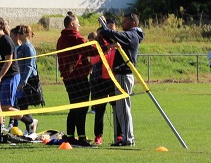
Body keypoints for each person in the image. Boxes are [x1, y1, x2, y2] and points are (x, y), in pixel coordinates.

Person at [98, 13, 145, 147]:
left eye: (125, 21)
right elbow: (112, 36)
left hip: (125, 74)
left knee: (123, 108)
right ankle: (125, 137)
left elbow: (116, 35)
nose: (123, 23)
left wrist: (105, 28)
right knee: (120, 108)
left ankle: (128, 138)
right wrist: (105, 30)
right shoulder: (130, 35)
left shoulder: (132, 35)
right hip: (120, 74)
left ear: (133, 24)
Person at [0, 16, 33, 136]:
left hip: (10, 76)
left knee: (6, 107)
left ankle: (30, 122)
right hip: (0, 77)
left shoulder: (6, 40)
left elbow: (9, 61)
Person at [56, 12, 94, 145]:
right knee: (82, 107)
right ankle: (82, 137)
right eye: (78, 23)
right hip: (79, 77)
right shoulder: (76, 38)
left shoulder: (61, 39)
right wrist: (107, 45)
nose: (80, 25)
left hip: (68, 78)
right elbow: (92, 51)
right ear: (72, 24)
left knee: (74, 107)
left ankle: (70, 136)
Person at [88, 30, 118, 145]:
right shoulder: (97, 48)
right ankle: (98, 135)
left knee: (117, 109)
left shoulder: (115, 47)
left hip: (112, 81)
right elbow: (94, 59)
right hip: (99, 83)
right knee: (99, 110)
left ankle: (119, 135)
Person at [12, 25, 39, 134]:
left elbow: (29, 66)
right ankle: (30, 126)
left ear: (27, 34)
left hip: (28, 81)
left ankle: (31, 125)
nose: (19, 34)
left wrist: (23, 82)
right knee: (23, 106)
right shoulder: (22, 47)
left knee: (23, 105)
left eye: (21, 33)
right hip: (21, 79)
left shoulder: (28, 47)